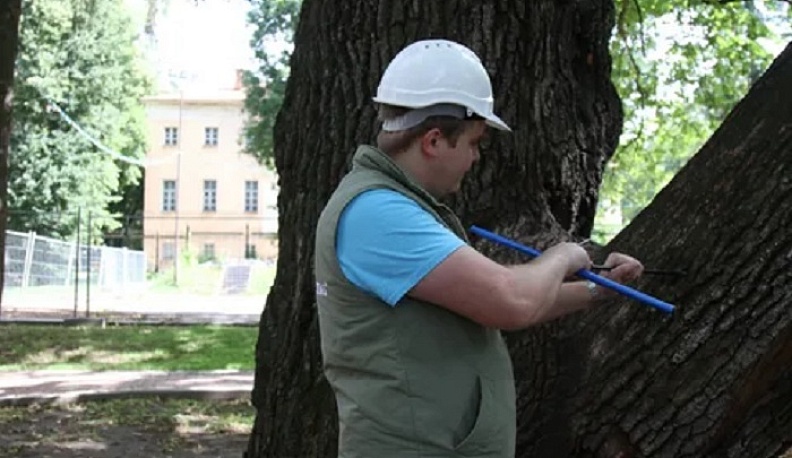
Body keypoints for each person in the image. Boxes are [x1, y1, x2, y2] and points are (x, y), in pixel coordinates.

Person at [314, 39, 644, 458]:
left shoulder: (395, 207)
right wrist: (565, 255)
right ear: (434, 141)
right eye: (473, 143)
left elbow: (497, 302)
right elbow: (511, 301)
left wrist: (602, 287)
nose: (475, 158)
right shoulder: (378, 213)